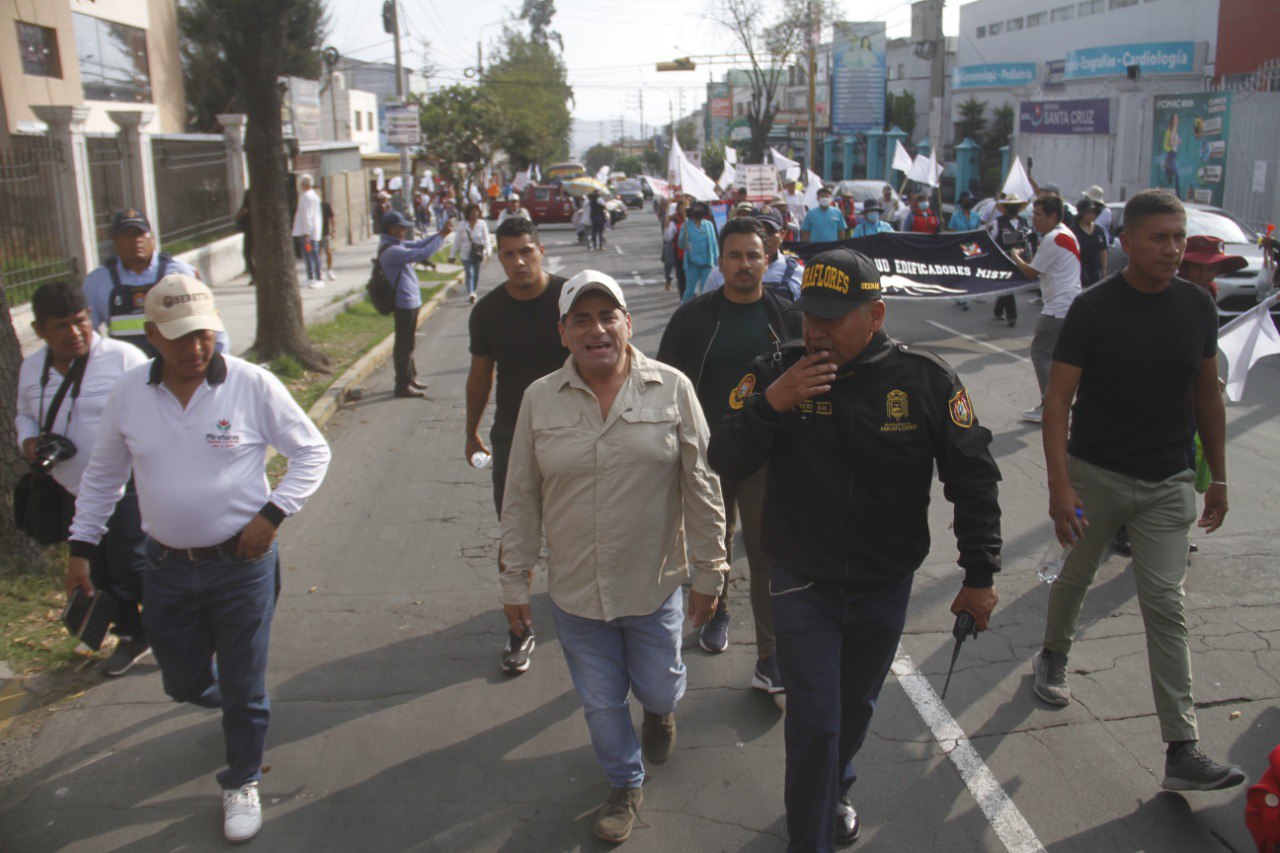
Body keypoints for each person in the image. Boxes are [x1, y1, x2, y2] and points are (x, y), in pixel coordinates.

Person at [707, 248, 1002, 851]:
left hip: (883, 584)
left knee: (855, 709)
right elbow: (724, 458)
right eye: (810, 316)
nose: (815, 331)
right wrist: (773, 405)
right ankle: (808, 838)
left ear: (875, 315)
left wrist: (980, 574)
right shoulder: (776, 372)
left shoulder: (924, 379)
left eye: (833, 318)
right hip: (800, 581)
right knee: (814, 722)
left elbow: (973, 476)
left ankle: (834, 787)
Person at [66, 274, 331, 843]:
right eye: (181, 336)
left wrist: (274, 514)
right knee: (182, 681)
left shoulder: (251, 385)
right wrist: (80, 550)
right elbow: (103, 478)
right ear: (153, 334)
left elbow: (312, 450)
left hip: (242, 564)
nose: (195, 348)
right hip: (163, 565)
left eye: (205, 334)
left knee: (243, 680)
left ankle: (240, 776)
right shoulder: (129, 393)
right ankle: (239, 704)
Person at [500, 271, 728, 844]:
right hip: (577, 594)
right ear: (563, 333)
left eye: (608, 317)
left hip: (653, 586)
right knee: (601, 703)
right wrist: (514, 582)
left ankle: (660, 710)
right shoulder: (538, 399)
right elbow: (521, 496)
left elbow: (702, 486)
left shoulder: (672, 388)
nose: (596, 329)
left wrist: (710, 572)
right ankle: (625, 784)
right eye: (582, 319)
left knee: (659, 684)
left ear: (628, 323)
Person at [1032, 189, 1243, 794]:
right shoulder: (1094, 310)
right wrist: (1059, 483)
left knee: (1165, 605)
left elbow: (1207, 395)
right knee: (1074, 577)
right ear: (1127, 244)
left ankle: (1181, 747)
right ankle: (1053, 654)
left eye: (1178, 237)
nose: (1173, 249)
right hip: (1095, 475)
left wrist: (1219, 478)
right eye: (1159, 238)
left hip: (1168, 482)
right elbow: (1057, 402)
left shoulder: (1197, 307)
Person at [658, 217, 802, 692]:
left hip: (766, 455)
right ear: (720, 262)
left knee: (764, 552)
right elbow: (665, 390)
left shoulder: (788, 318)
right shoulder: (693, 318)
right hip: (707, 457)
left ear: (768, 260)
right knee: (712, 549)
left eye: (753, 256)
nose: (744, 264)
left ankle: (771, 656)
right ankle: (716, 614)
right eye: (735, 256)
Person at [16, 283, 150, 675]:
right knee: (101, 571)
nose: (75, 333)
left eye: (80, 322)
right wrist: (29, 441)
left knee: (132, 564)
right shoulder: (30, 368)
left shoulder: (124, 358)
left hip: (126, 485)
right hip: (71, 490)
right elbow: (24, 413)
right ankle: (132, 636)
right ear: (39, 329)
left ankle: (184, 628)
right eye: (61, 326)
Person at [465, 216, 569, 673]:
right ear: (498, 256)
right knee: (515, 531)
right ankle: (519, 629)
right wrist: (471, 429)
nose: (519, 261)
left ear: (540, 250)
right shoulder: (487, 311)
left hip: (572, 424)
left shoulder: (569, 297)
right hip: (512, 430)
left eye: (526, 251)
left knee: (581, 524)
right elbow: (480, 375)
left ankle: (591, 617)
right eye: (509, 254)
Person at [81, 209, 212, 359]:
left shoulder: (181, 273)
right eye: (127, 235)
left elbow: (205, 321)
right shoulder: (97, 282)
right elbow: (89, 334)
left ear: (152, 238)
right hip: (124, 365)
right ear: (115, 242)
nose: (136, 240)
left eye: (140, 233)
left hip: (176, 363)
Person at [1008, 194, 1082, 424]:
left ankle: (1049, 405)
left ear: (1053, 216)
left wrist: (1015, 257)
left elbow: (1031, 272)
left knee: (1040, 353)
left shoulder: (1053, 238)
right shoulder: (1065, 234)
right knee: (1060, 358)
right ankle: (1060, 404)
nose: (1034, 219)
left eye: (1038, 215)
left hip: (1057, 308)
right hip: (1070, 304)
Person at [380, 211, 454, 398]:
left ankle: (410, 378)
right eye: (401, 227)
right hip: (403, 302)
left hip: (410, 300)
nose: (404, 230)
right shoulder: (391, 250)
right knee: (403, 344)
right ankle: (402, 385)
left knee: (409, 343)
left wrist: (439, 234)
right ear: (391, 228)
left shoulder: (397, 244)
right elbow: (422, 253)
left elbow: (421, 243)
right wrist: (443, 237)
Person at [703, 209, 804, 301]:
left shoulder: (798, 273)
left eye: (770, 232)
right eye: (759, 232)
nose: (765, 238)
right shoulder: (718, 275)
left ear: (782, 234)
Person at [989, 194, 1035, 327]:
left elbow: (1028, 241)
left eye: (1015, 205)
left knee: (1009, 287)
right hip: (1004, 259)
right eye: (1011, 206)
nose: (1013, 208)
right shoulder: (998, 222)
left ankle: (998, 309)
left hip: (1020, 259)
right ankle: (1012, 316)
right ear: (1006, 207)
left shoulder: (1024, 222)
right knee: (1009, 287)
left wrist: (1030, 256)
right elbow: (993, 240)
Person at [1178, 234, 1247, 303]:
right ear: (1183, 268)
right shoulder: (1169, 293)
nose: (1204, 276)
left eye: (1211, 269)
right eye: (1197, 267)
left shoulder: (1210, 290)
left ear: (1217, 270)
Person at [450, 203, 490, 305]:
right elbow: (457, 240)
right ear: (468, 214)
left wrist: (487, 251)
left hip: (478, 253)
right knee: (469, 273)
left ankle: (474, 291)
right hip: (465, 254)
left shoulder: (482, 224)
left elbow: (486, 239)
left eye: (476, 212)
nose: (474, 214)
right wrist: (452, 255)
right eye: (472, 212)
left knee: (476, 274)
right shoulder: (462, 225)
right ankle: (470, 293)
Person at [679, 202, 719, 303]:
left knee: (707, 290)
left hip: (707, 263)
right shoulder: (685, 226)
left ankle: (706, 311)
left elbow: (714, 244)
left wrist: (717, 262)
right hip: (692, 264)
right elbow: (680, 245)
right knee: (690, 290)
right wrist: (684, 237)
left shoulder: (708, 225)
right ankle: (682, 311)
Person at [291, 174, 324, 288]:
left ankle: (318, 277)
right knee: (308, 254)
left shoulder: (307, 197)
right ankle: (311, 277)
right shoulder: (311, 196)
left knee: (312, 254)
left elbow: (307, 216)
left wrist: (306, 232)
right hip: (309, 232)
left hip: (308, 233)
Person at [1071, 199, 1110, 288]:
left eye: (1093, 212)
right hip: (1079, 273)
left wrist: (1104, 269)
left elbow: (1103, 250)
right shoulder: (1073, 231)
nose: (1091, 214)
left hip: (1096, 272)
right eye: (1088, 212)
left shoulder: (1098, 230)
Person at [662, 198, 686, 292]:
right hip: (675, 248)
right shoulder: (674, 220)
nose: (684, 209)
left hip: (688, 251)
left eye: (686, 207)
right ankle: (668, 279)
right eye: (682, 207)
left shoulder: (690, 219)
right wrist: (668, 227)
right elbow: (667, 237)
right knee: (669, 264)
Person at [235, 190, 253, 286]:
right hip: (249, 233)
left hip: (251, 233)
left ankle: (255, 276)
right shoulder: (245, 210)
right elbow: (238, 219)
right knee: (247, 253)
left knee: (249, 253)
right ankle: (254, 276)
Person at [320, 196, 337, 282]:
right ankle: (320, 271)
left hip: (325, 232)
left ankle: (330, 270)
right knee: (317, 253)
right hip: (315, 234)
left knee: (328, 251)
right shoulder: (313, 206)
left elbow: (332, 217)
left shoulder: (325, 205)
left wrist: (333, 230)